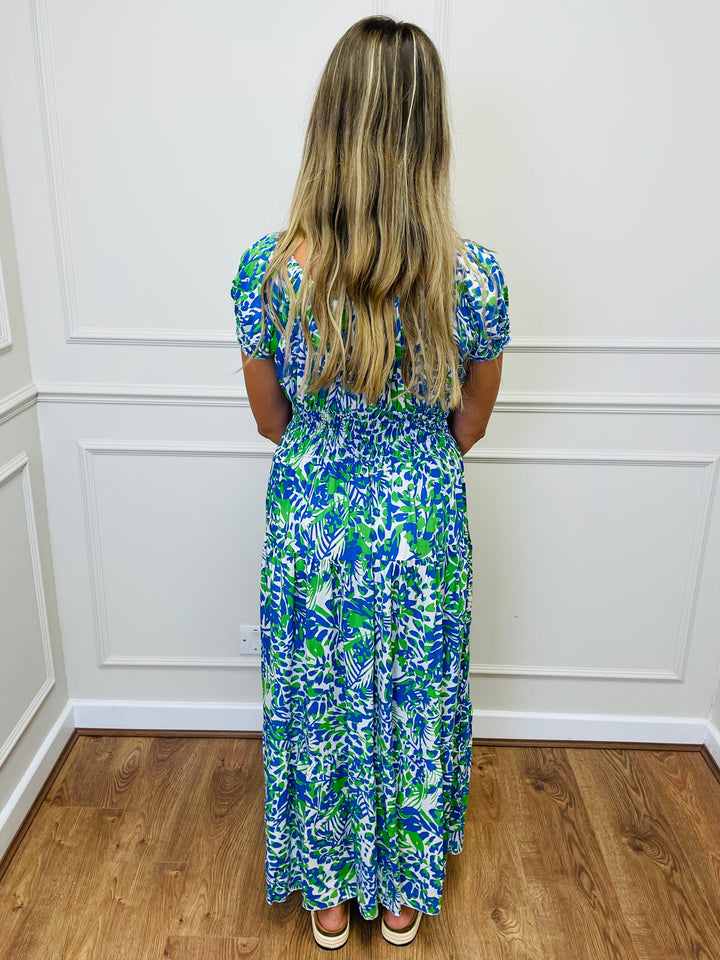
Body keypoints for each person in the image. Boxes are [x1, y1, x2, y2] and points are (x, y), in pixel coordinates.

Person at [230, 14, 510, 950]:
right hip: (420, 519)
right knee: (413, 697)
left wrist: (334, 455)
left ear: (330, 122)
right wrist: (410, 461)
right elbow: (472, 420)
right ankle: (400, 893)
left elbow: (270, 419)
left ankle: (328, 892)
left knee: (320, 699)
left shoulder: (270, 272)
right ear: (429, 135)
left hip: (312, 518)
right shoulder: (473, 279)